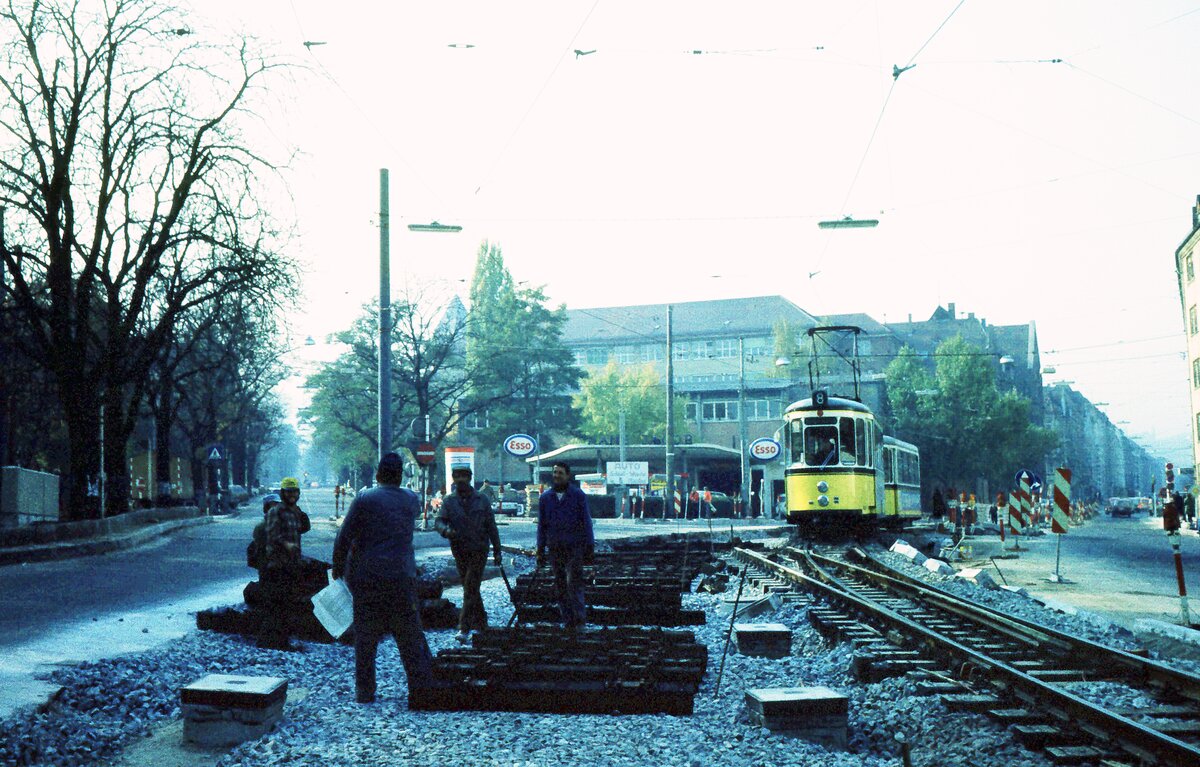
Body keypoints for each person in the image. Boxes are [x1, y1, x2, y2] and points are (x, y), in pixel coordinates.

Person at [332, 453, 433, 706]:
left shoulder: (366, 498)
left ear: (378, 474)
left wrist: (338, 566)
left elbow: (345, 535)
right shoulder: (411, 499)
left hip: (369, 578)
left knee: (365, 638)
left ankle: (365, 691)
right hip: (402, 577)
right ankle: (419, 691)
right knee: (409, 636)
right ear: (400, 475)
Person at [436, 466, 502, 643]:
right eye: (458, 476)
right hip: (459, 550)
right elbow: (439, 521)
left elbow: (491, 526)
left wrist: (497, 550)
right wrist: (446, 530)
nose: (461, 480)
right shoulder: (449, 501)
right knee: (470, 587)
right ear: (453, 478)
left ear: (470, 478)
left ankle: (464, 628)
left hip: (479, 549)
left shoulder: (482, 499)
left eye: (464, 476)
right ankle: (482, 623)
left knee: (470, 586)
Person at [537, 461, 595, 631]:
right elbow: (542, 525)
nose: (556, 475)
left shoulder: (578, 496)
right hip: (555, 548)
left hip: (574, 548)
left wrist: (589, 547)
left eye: (560, 473)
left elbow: (586, 522)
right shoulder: (546, 498)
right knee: (560, 585)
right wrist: (540, 549)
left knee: (574, 583)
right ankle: (568, 620)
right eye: (555, 472)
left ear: (567, 475)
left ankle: (579, 621)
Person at [255, 477, 311, 650]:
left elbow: (304, 528)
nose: (292, 495)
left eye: (294, 491)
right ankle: (267, 642)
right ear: (283, 493)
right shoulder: (276, 512)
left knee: (287, 605)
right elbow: (272, 536)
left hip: (292, 564)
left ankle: (282, 642)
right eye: (288, 492)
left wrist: (301, 513)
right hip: (278, 565)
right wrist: (287, 545)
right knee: (276, 606)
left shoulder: (295, 512)